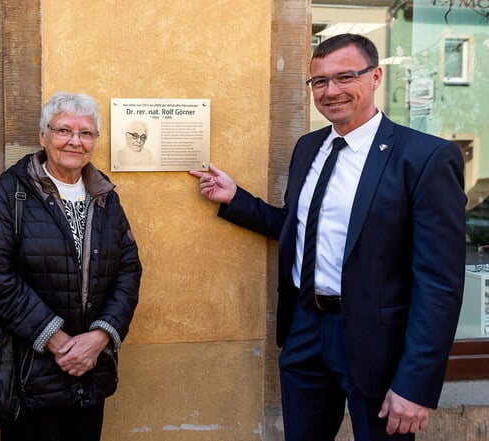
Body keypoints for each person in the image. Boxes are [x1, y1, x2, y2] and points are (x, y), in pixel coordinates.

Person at [190, 33, 465, 441]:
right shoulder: (309, 147)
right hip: (305, 328)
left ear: (375, 77)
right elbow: (302, 228)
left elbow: (439, 283)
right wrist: (237, 200)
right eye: (319, 81)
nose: (330, 91)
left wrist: (416, 383)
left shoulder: (423, 157)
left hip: (378, 343)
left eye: (344, 77)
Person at [0, 91, 141, 441]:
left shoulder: (105, 195)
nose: (75, 142)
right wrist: (56, 340)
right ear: (43, 136)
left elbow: (128, 269)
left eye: (85, 133)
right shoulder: (14, 190)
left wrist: (99, 337)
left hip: (91, 370)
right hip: (29, 370)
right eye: (63, 130)